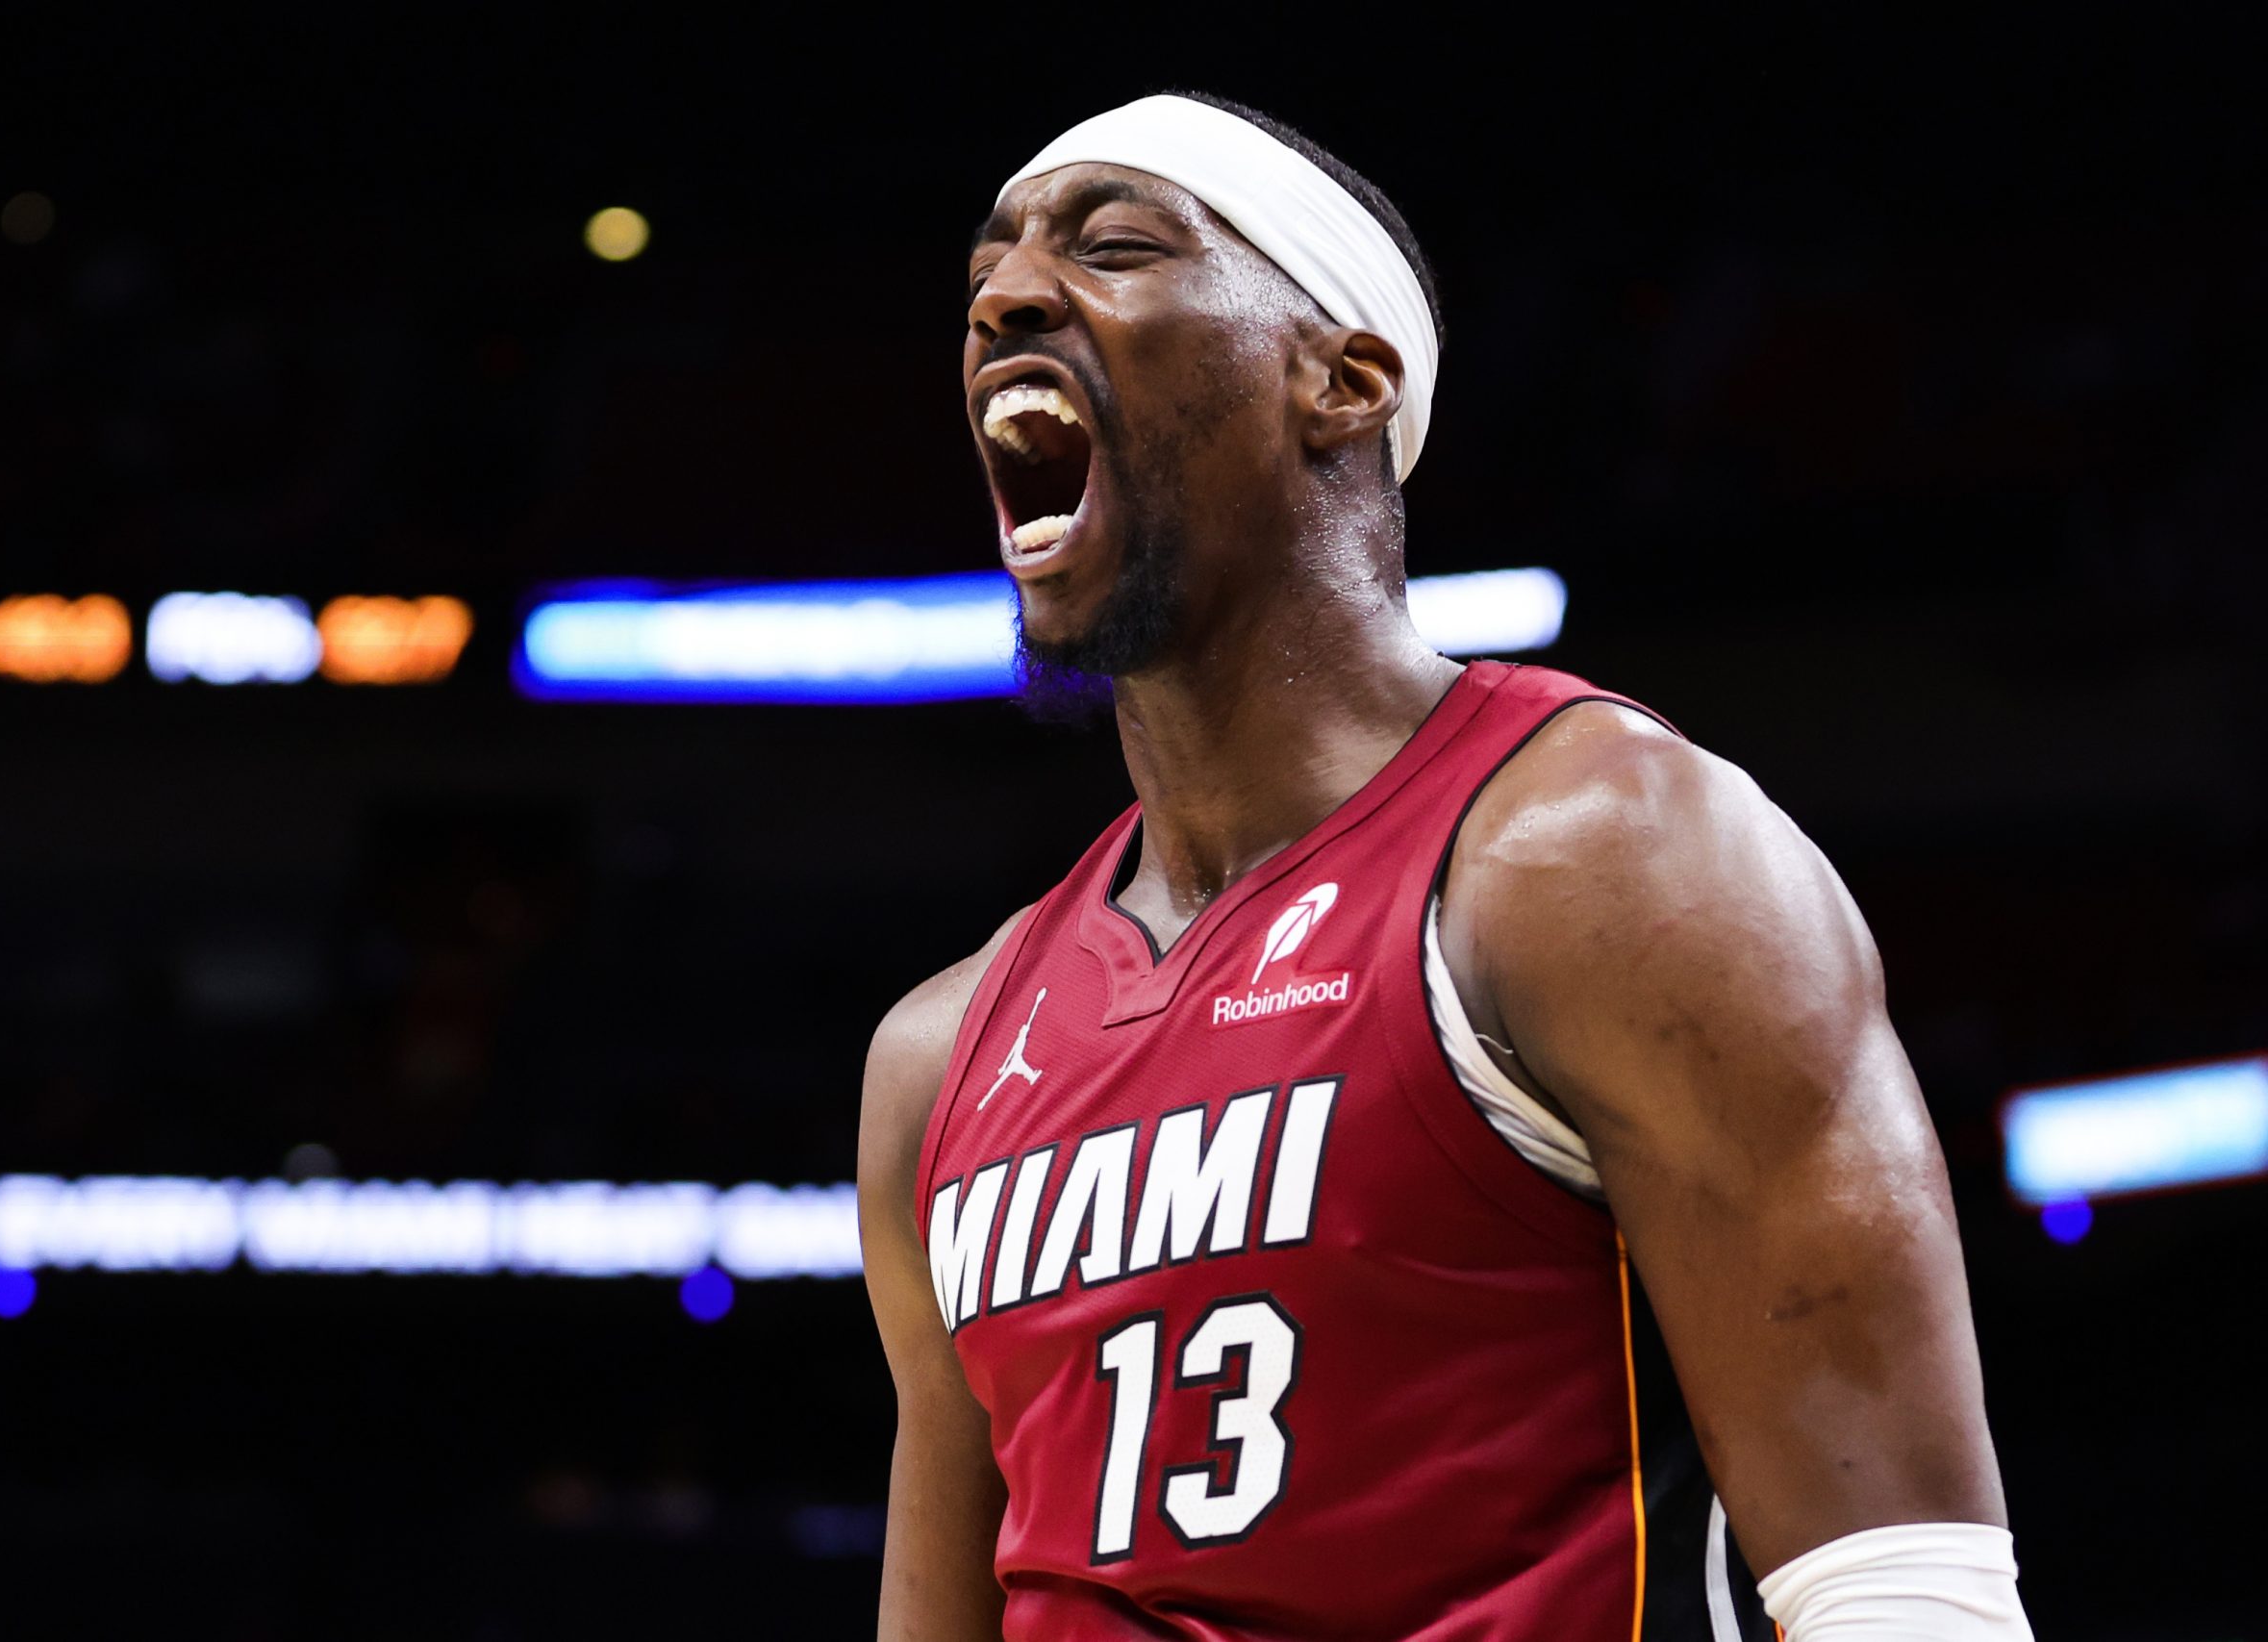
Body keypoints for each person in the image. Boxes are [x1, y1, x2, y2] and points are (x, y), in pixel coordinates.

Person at [858, 92, 2031, 1641]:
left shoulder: (1599, 859)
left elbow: (1904, 1592)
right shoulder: (940, 1059)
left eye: (1118, 245)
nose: (1004, 297)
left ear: (1341, 381)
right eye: (985, 276)